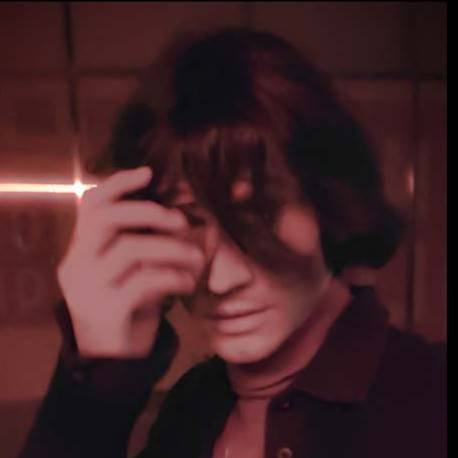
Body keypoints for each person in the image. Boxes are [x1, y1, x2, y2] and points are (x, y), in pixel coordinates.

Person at [19, 27, 445, 458]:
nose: (222, 280)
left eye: (258, 215)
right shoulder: (191, 408)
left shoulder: (432, 398)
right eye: (189, 220)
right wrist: (96, 382)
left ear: (328, 200)